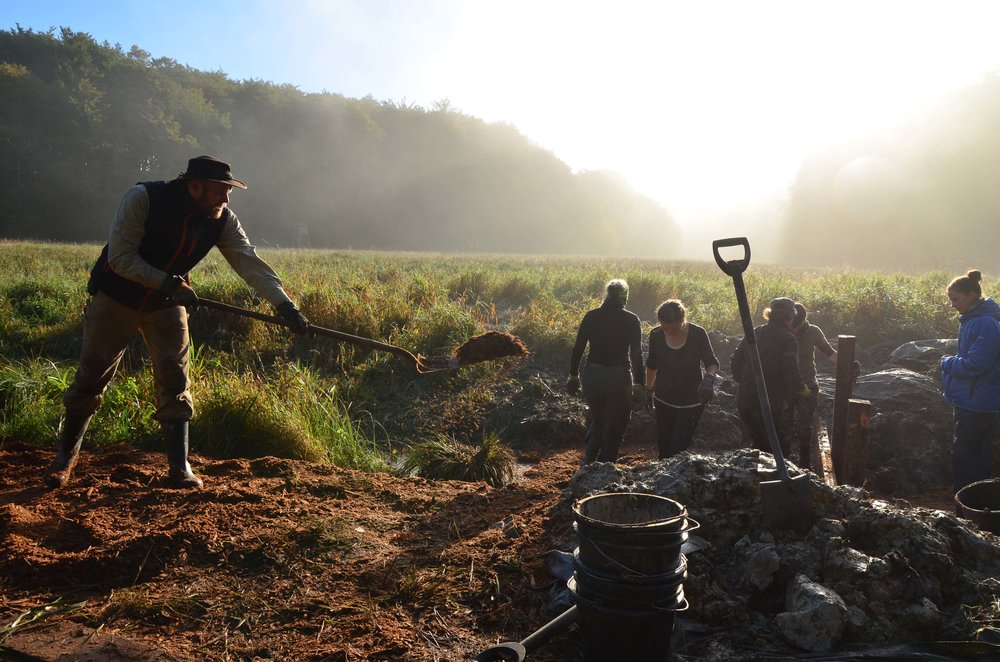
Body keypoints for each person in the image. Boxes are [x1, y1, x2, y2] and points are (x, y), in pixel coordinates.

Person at [46, 156, 310, 490]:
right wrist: (170, 283)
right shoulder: (143, 198)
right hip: (116, 299)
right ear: (195, 186)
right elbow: (121, 258)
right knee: (91, 377)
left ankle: (179, 468)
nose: (226, 199)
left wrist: (285, 307)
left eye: (229, 192)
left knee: (175, 380)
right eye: (221, 191)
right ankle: (64, 461)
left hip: (166, 303)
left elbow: (249, 262)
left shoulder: (223, 220)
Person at [567, 279, 645, 464]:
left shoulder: (591, 316)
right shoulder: (631, 320)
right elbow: (636, 353)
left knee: (598, 418)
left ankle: (588, 461)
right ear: (625, 298)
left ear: (606, 295)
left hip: (593, 375)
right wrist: (639, 383)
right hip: (619, 377)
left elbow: (578, 347)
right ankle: (607, 466)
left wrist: (573, 375)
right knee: (616, 423)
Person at [940, 269, 1000, 494]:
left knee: (968, 458)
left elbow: (976, 364)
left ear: (972, 295)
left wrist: (946, 363)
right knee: (972, 456)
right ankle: (972, 504)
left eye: (956, 299)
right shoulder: (973, 320)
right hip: (972, 400)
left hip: (977, 402)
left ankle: (967, 508)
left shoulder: (985, 324)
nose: (953, 305)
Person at [730, 297, 807, 456]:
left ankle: (757, 477)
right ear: (788, 317)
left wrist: (744, 382)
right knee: (779, 448)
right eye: (791, 317)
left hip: (745, 401)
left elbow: (735, 361)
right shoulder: (788, 339)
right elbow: (791, 373)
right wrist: (804, 391)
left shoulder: (755, 332)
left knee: (759, 443)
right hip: (769, 404)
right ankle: (778, 477)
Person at [644, 300, 719, 459]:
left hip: (691, 400)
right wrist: (648, 391)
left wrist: (708, 381)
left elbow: (711, 362)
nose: (670, 332)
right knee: (664, 445)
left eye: (675, 329)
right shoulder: (656, 335)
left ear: (683, 321)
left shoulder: (698, 334)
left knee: (679, 447)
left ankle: (673, 477)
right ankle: (663, 479)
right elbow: (652, 365)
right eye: (665, 328)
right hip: (664, 398)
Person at [787, 303, 837, 470]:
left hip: (808, 386)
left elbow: (829, 353)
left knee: (804, 426)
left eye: (796, 326)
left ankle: (805, 462)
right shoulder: (781, 331)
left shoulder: (813, 332)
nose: (793, 330)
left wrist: (847, 364)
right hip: (784, 388)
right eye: (791, 326)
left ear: (802, 322)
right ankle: (783, 460)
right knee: (782, 425)